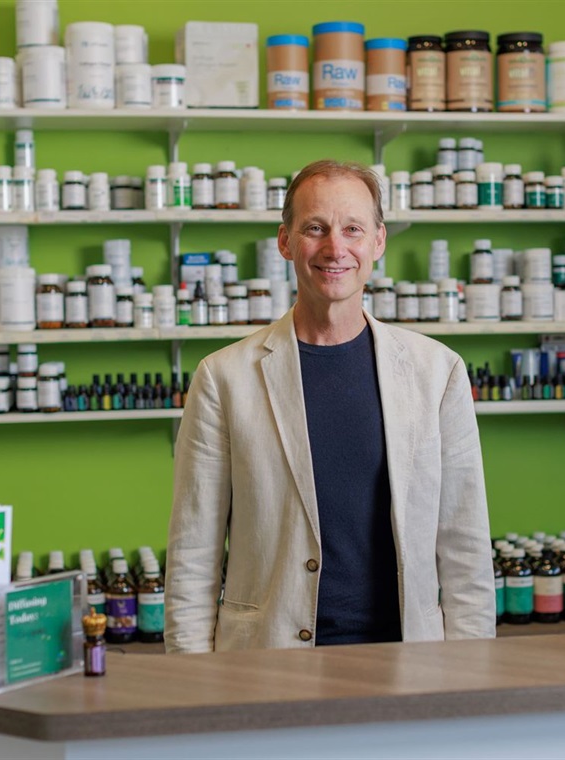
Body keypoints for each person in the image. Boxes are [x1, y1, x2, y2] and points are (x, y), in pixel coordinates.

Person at [164, 159, 495, 653]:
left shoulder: (437, 372)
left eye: (353, 229)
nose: (335, 248)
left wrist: (471, 672)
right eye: (315, 228)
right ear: (286, 242)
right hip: (268, 664)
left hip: (409, 661)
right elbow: (194, 552)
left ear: (378, 242)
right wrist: (190, 684)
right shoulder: (223, 378)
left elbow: (465, 547)